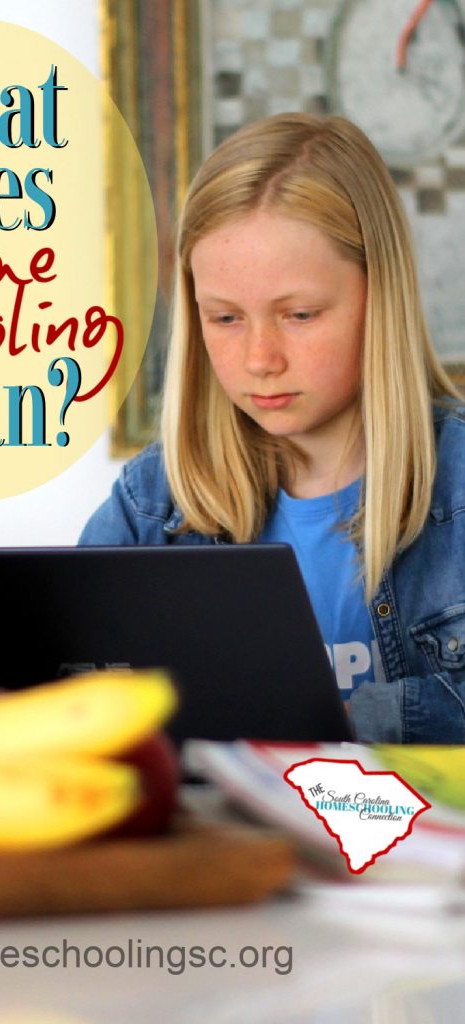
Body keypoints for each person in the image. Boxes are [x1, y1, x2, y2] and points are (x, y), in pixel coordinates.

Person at [79, 112, 465, 745]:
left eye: (300, 314)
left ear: (381, 295)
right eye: (226, 318)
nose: (260, 359)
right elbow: (60, 696)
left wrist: (332, 723)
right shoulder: (151, 505)